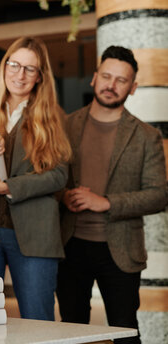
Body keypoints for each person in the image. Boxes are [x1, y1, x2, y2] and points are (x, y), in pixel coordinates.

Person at [0, 36, 71, 320]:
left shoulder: (52, 116)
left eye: (30, 69)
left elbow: (59, 176)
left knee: (38, 321)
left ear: (40, 76)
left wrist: (6, 187)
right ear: (5, 66)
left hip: (34, 234)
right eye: (15, 65)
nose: (20, 74)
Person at [57, 46, 166, 343]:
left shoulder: (146, 136)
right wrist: (63, 196)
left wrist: (106, 203)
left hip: (120, 250)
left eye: (121, 80)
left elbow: (158, 195)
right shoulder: (64, 126)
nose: (111, 84)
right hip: (70, 246)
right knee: (71, 331)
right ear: (94, 78)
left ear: (133, 88)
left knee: (125, 331)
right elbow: (48, 180)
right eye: (106, 76)